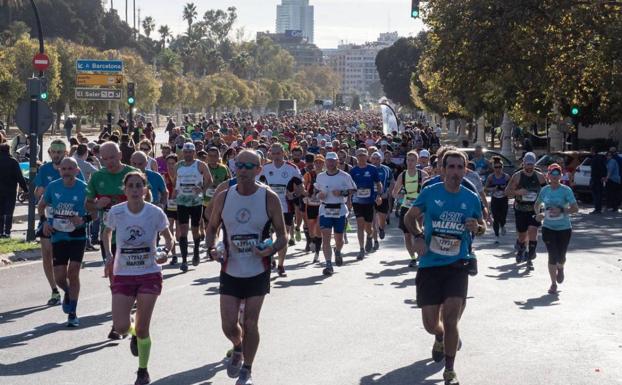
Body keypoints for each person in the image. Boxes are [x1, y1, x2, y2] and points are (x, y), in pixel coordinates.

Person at [205, 149, 287, 385]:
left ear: (259, 170)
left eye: (249, 166)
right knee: (229, 325)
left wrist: (270, 249)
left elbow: (282, 235)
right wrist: (212, 249)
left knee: (250, 323)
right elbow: (211, 228)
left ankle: (247, 370)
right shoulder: (224, 196)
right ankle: (238, 347)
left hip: (257, 269)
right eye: (239, 165)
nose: (242, 170)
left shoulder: (268, 197)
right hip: (230, 268)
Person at [404, 150, 485, 385]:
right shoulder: (430, 193)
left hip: (457, 264)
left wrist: (476, 227)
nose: (455, 172)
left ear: (465, 170)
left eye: (460, 167)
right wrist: (418, 236)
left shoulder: (470, 198)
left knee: (451, 319)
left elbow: (481, 227)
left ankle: (449, 370)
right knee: (431, 325)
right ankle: (439, 336)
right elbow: (410, 217)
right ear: (442, 169)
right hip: (430, 264)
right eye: (451, 167)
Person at [103, 171, 174, 385]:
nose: (135, 190)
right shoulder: (117, 212)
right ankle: (132, 332)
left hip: (149, 273)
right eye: (130, 186)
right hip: (123, 273)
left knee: (144, 327)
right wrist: (108, 255)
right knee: (121, 327)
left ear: (145, 189)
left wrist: (165, 252)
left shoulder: (155, 213)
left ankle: (142, 370)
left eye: (138, 186)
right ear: (124, 190)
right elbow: (106, 233)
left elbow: (168, 240)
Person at [38, 158, 88, 327]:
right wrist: (44, 222)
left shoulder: (84, 188)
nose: (66, 171)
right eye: (63, 168)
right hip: (58, 235)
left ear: (76, 170)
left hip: (77, 235)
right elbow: (42, 205)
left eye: (70, 168)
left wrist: (82, 219)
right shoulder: (53, 186)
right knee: (60, 277)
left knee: (73, 272)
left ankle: (72, 313)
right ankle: (67, 291)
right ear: (59, 171)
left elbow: (95, 214)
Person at [35, 139, 85, 306]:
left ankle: (68, 290)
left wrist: (83, 218)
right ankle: (55, 290)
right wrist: (39, 192)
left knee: (70, 266)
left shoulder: (71, 167)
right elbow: (38, 194)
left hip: (70, 225)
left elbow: (84, 191)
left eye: (59, 152)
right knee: (47, 253)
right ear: (49, 153)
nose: (56, 155)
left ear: (65, 153)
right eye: (53, 152)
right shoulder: (44, 169)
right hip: (50, 220)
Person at [534, 164, 579, 295]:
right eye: (552, 175)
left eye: (557, 175)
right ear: (548, 176)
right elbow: (537, 204)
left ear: (560, 176)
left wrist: (562, 210)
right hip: (548, 227)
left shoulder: (566, 190)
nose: (554, 177)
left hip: (564, 228)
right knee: (552, 255)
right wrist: (539, 214)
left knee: (561, 256)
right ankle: (553, 283)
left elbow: (575, 208)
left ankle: (561, 267)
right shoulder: (545, 190)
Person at [260, 143, 301, 277]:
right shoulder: (265, 168)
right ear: (270, 154)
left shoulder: (292, 168)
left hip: (285, 208)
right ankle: (270, 258)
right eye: (274, 153)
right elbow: (256, 185)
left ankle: (281, 265)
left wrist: (293, 195)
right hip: (267, 208)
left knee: (283, 237)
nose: (276, 156)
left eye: (279, 153)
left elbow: (301, 188)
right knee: (268, 236)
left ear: (283, 153)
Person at [172, 142, 213, 272]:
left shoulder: (200, 165)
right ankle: (184, 261)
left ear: (194, 152)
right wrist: (175, 192)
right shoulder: (178, 165)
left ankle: (195, 251)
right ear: (182, 153)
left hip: (196, 202)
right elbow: (175, 181)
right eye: (186, 152)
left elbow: (209, 180)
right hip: (182, 201)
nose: (188, 154)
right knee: (183, 231)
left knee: (195, 230)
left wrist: (201, 189)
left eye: (190, 152)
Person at [316, 152, 356, 275]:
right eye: (328, 161)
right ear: (325, 162)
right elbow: (317, 192)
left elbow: (353, 189)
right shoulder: (320, 176)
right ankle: (328, 264)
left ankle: (337, 251)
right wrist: (319, 195)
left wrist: (342, 193)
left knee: (339, 239)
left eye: (333, 161)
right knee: (326, 238)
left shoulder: (345, 176)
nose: (330, 163)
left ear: (337, 162)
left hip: (340, 210)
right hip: (325, 210)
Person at [505, 152, 547, 270]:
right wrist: (517, 192)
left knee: (533, 231)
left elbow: (547, 192)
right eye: (527, 165)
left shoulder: (540, 176)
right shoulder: (517, 176)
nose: (529, 167)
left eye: (531, 165)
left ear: (534, 165)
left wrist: (545, 204)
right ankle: (521, 246)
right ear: (523, 164)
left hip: (534, 209)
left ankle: (530, 257)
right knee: (523, 235)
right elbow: (507, 192)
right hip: (520, 209)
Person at [392, 150, 427, 267]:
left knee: (417, 233)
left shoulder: (423, 175)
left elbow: (429, 192)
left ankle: (420, 254)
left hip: (419, 208)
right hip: (406, 207)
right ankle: (412, 257)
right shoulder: (403, 175)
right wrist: (400, 196)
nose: (410, 162)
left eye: (412, 160)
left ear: (417, 161)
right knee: (407, 235)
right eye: (408, 160)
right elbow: (394, 193)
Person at [349, 148, 383, 260]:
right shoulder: (353, 171)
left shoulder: (372, 169)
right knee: (360, 224)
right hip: (357, 201)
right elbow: (350, 187)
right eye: (359, 155)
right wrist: (349, 200)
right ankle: (361, 249)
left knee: (368, 226)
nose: (361, 157)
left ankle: (369, 236)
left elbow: (379, 184)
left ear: (367, 156)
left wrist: (379, 195)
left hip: (369, 201)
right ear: (356, 157)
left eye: (363, 155)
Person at [0, 143, 28, 237]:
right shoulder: (13, 162)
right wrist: (25, 189)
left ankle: (0, 231)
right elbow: (20, 177)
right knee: (9, 212)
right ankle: (7, 232)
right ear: (8, 150)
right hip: (10, 190)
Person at [370, 151, 393, 250]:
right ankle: (375, 241)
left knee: (382, 220)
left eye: (378, 159)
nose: (376, 161)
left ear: (381, 159)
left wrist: (388, 193)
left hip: (383, 197)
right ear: (371, 159)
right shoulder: (368, 169)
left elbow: (392, 182)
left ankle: (382, 228)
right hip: (370, 198)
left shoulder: (386, 169)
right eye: (374, 159)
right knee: (372, 221)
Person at [485, 156, 510, 243]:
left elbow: (510, 187)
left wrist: (504, 188)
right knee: (496, 218)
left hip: (503, 199)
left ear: (502, 167)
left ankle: (503, 225)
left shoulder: (506, 177)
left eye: (499, 167)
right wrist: (493, 189)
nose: (498, 169)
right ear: (493, 167)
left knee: (503, 216)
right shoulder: (491, 177)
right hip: (495, 199)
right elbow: (486, 188)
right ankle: (496, 235)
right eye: (496, 167)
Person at [589, 147, 607, 214]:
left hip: (595, 178)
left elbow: (598, 169)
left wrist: (602, 176)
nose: (590, 152)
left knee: (596, 194)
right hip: (599, 178)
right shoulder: (600, 158)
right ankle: (598, 208)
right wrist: (603, 176)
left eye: (591, 151)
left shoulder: (595, 159)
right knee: (598, 194)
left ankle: (597, 209)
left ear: (593, 151)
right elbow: (603, 168)